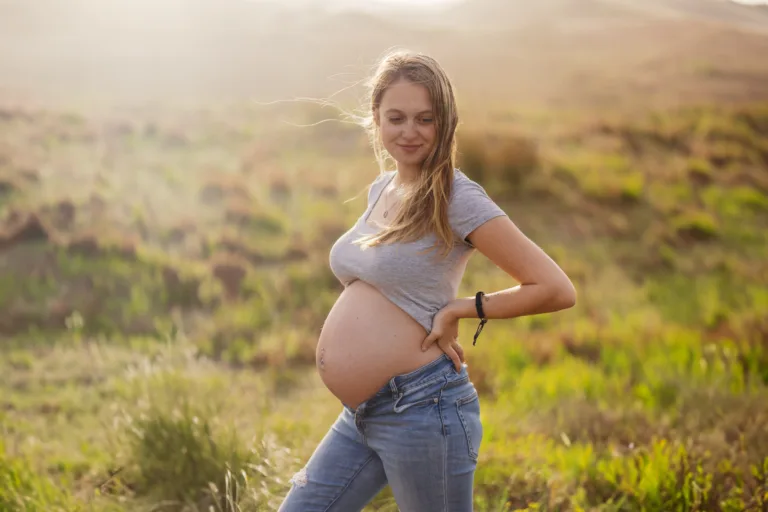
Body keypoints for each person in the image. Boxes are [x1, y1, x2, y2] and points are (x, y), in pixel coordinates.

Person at [278, 49, 576, 512]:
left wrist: (462, 308)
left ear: (446, 122)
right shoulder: (382, 188)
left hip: (422, 408)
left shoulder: (457, 197)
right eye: (396, 117)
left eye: (425, 119)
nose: (409, 132)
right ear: (375, 118)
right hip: (363, 414)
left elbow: (555, 287)